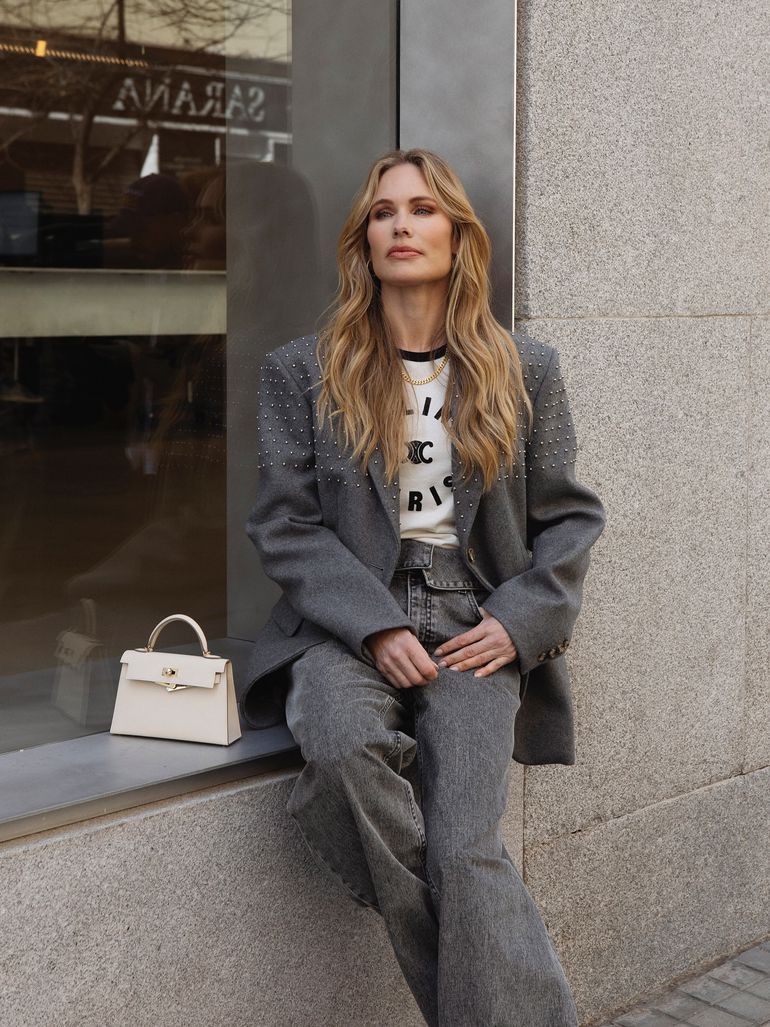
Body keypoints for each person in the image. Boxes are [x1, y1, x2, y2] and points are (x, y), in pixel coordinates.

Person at [241, 148, 606, 1027]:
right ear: (363, 242)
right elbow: (284, 524)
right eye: (383, 212)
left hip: (476, 623)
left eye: (422, 209)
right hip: (349, 621)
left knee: (464, 847)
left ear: (457, 235)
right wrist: (373, 625)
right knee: (340, 749)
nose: (401, 225)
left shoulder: (524, 369)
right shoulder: (302, 370)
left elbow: (570, 516)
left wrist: (521, 621)